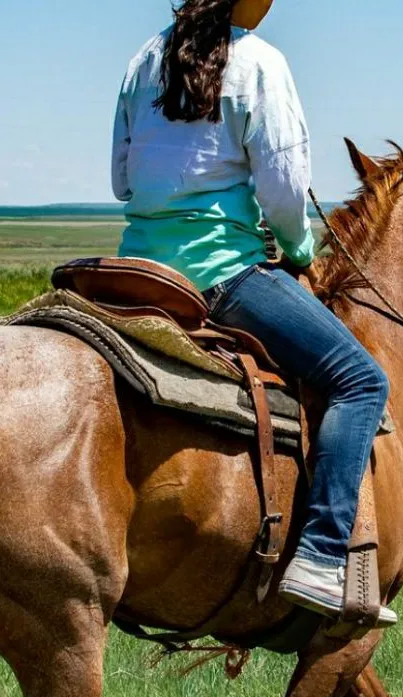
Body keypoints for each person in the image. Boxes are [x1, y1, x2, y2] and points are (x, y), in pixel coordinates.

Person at [111, 0, 396, 626]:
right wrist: (296, 249)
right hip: (221, 275)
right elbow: (286, 187)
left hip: (139, 272)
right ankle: (322, 558)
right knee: (361, 380)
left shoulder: (142, 60)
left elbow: (121, 181)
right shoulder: (261, 62)